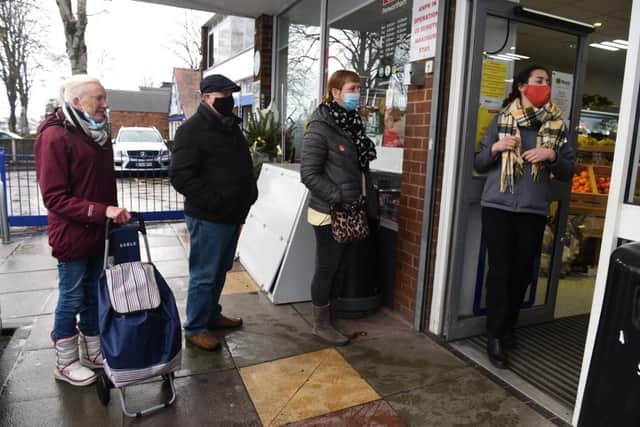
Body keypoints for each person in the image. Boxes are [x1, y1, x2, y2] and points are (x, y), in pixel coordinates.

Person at [474, 65, 575, 369]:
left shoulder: (558, 125)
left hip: (532, 209)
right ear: (521, 86)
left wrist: (552, 156)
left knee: (521, 274)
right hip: (498, 207)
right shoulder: (501, 120)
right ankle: (494, 335)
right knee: (500, 272)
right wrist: (495, 147)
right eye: (539, 81)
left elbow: (569, 170)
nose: (544, 86)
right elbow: (479, 162)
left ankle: (508, 326)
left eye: (547, 82)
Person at [35, 75, 131, 386]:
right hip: (72, 234)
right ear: (77, 102)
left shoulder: (96, 132)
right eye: (99, 99)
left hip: (99, 233)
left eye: (105, 98)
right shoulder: (54, 136)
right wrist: (102, 211)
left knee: (93, 293)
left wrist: (111, 217)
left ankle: (92, 351)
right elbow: (54, 198)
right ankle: (64, 362)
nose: (105, 104)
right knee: (72, 296)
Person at [170, 74, 258, 351]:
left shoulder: (229, 126)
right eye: (222, 96)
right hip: (209, 216)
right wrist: (217, 202)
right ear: (206, 98)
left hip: (231, 214)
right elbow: (181, 177)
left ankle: (212, 314)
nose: (229, 100)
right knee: (205, 274)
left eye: (231, 95)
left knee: (220, 270)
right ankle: (195, 327)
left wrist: (247, 197)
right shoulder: (191, 130)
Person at [300, 70, 378, 346]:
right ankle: (320, 325)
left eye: (358, 88)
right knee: (327, 268)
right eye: (352, 88)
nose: (357, 93)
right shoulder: (321, 126)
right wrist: (339, 196)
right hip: (328, 212)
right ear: (335, 92)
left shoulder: (351, 124)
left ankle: (329, 319)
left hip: (350, 210)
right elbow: (308, 173)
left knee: (338, 268)